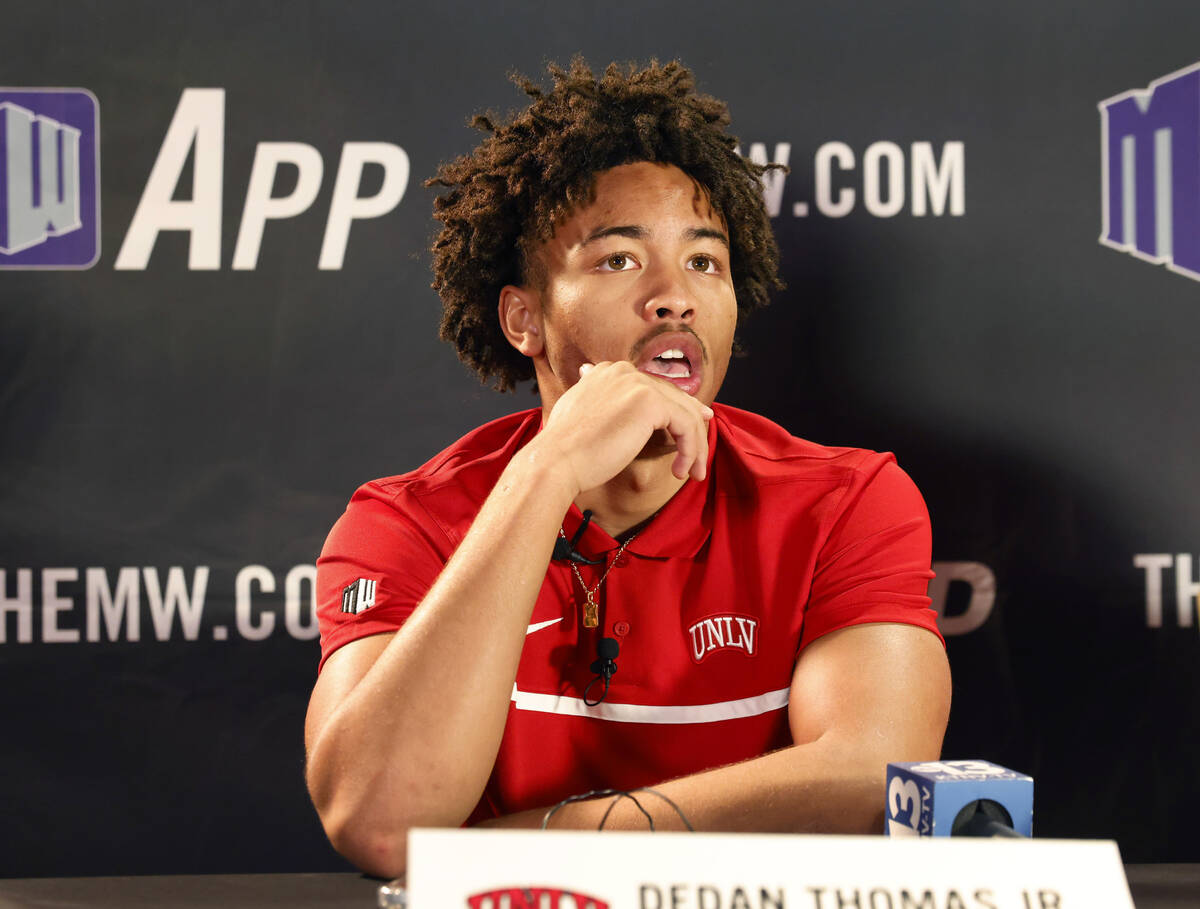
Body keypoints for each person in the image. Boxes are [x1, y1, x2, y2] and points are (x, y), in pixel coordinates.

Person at [304, 59, 951, 877]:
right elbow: (379, 821)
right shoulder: (404, 523)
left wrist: (487, 852)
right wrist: (546, 474)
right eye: (618, 260)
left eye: (705, 263)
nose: (674, 297)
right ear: (524, 317)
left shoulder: (847, 499)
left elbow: (872, 779)